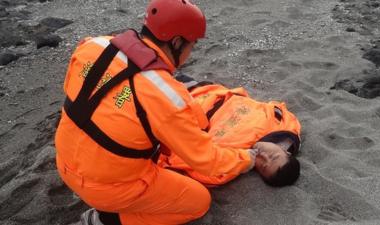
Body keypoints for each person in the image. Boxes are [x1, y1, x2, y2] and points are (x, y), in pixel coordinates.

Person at [55, 1, 257, 225]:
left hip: (64, 162)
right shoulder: (165, 95)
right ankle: (103, 219)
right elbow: (208, 161)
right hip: (106, 187)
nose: (191, 52)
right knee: (198, 201)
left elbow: (77, 94)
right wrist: (246, 159)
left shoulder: (92, 45)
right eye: (193, 45)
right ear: (177, 42)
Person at [158, 78, 301, 187]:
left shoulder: (229, 166)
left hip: (175, 107)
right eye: (273, 156)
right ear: (285, 151)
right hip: (206, 91)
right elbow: (291, 128)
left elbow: (182, 160)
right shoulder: (280, 127)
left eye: (263, 166)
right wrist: (288, 141)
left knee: (137, 86)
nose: (263, 156)